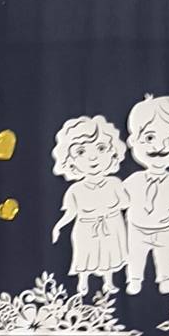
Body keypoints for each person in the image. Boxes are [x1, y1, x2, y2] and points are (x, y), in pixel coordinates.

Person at [122, 94, 169, 296]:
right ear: (133, 141)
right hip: (137, 228)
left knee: (166, 256)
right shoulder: (134, 179)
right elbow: (119, 198)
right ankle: (134, 279)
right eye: (149, 138)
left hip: (167, 229)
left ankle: (166, 279)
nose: (159, 147)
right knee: (135, 256)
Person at [50, 114, 128, 297]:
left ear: (113, 152)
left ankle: (108, 283)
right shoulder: (75, 190)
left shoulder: (115, 183)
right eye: (81, 152)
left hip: (112, 225)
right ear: (69, 161)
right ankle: (82, 283)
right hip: (86, 227)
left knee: (109, 255)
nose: (93, 157)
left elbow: (127, 203)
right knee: (85, 255)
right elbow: (70, 213)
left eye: (101, 148)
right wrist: (58, 227)